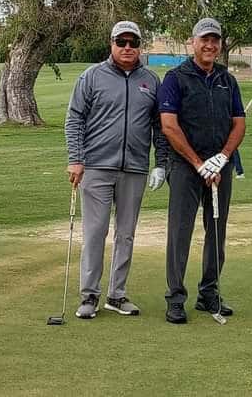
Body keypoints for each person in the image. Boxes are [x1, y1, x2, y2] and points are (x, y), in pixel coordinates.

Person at [65, 20, 169, 319]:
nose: (127, 48)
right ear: (111, 43)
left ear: (139, 46)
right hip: (96, 166)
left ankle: (117, 294)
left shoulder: (150, 80)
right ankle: (89, 296)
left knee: (126, 234)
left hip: (134, 168)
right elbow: (75, 120)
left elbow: (159, 128)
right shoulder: (92, 76)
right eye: (121, 42)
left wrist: (160, 164)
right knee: (95, 232)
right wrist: (76, 159)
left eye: (132, 43)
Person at [158, 18, 246, 324]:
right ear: (192, 42)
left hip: (220, 168)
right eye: (204, 39)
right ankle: (175, 297)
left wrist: (221, 159)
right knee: (180, 232)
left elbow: (239, 123)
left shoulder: (226, 79)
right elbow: (169, 126)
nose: (210, 45)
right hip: (185, 167)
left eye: (215, 40)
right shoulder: (176, 78)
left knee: (217, 232)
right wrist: (199, 164)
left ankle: (209, 293)